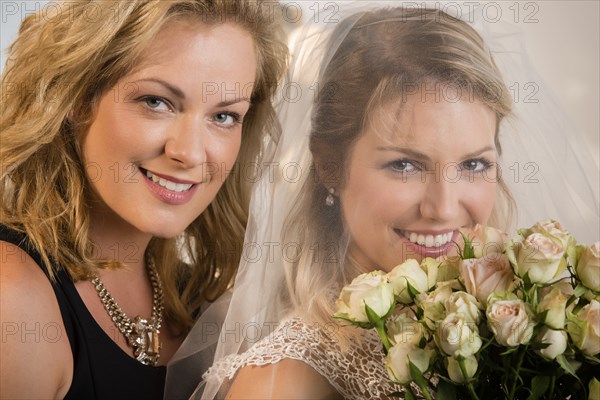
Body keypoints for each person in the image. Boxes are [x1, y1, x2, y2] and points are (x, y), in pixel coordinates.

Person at [167, 3, 599, 400]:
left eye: (473, 164)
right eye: (405, 165)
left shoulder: (521, 339)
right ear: (329, 166)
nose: (444, 207)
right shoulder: (286, 380)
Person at [0, 1, 287, 399]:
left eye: (223, 117)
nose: (190, 153)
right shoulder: (12, 292)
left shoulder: (197, 300)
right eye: (156, 102)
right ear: (76, 99)